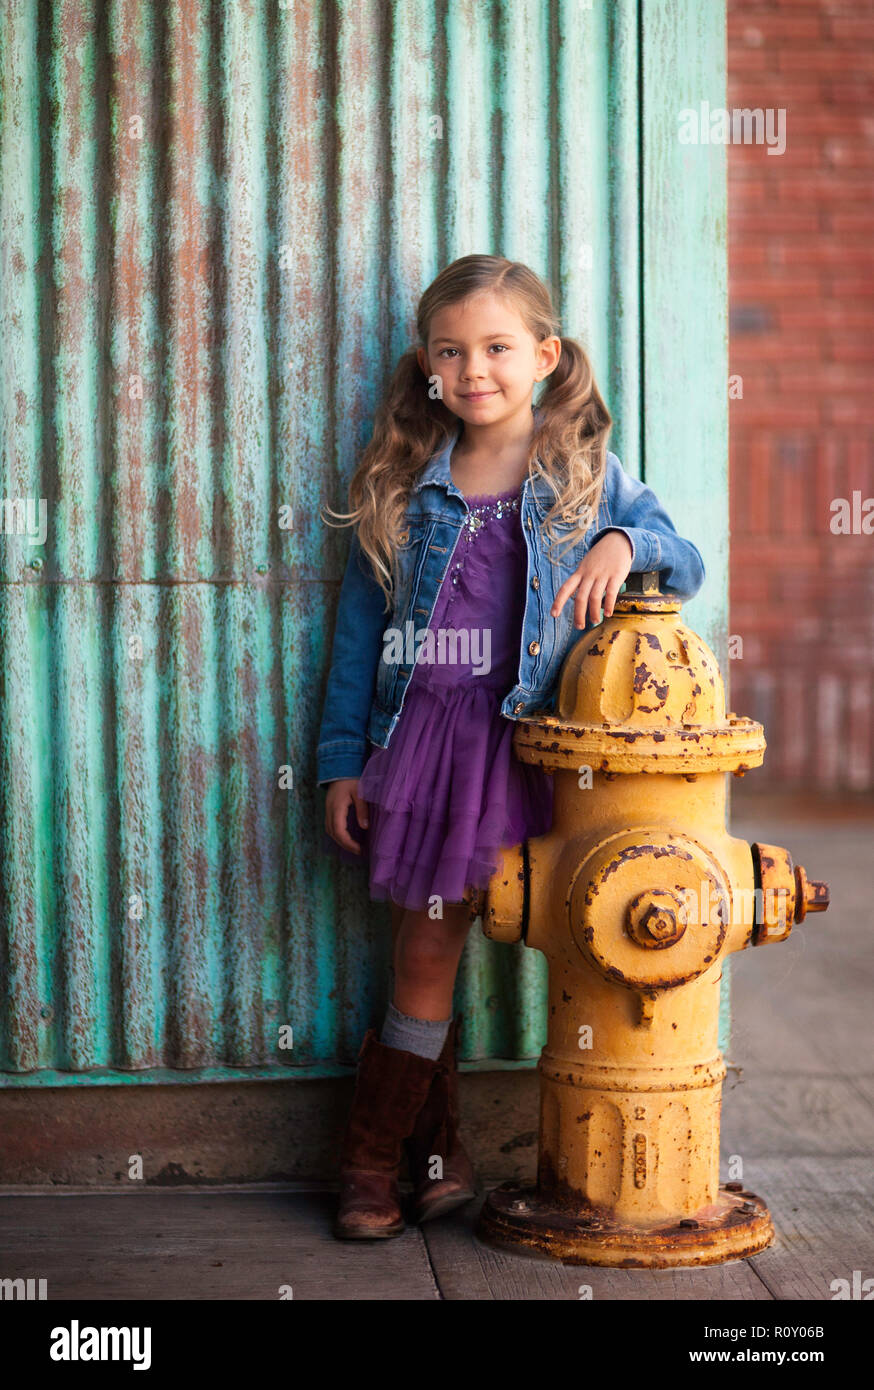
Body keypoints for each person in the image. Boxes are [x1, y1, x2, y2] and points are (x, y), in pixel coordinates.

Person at [316, 254, 706, 1240]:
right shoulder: (411, 480)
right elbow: (362, 631)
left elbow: (681, 553)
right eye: (450, 350)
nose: (472, 367)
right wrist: (338, 759)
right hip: (432, 746)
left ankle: (453, 1150)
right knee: (430, 941)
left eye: (495, 347)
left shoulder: (581, 469)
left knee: (559, 933)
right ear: (428, 367)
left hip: (538, 747)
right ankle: (373, 1164)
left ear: (545, 355)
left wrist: (623, 542)